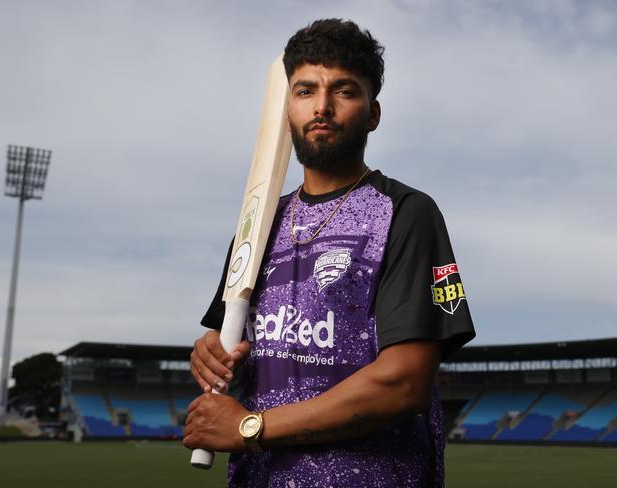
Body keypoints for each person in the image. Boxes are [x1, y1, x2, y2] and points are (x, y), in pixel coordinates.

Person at [183, 18, 475, 488]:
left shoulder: (406, 213)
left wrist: (249, 428)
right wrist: (210, 355)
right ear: (287, 111)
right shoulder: (256, 226)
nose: (322, 107)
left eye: (343, 90)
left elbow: (405, 382)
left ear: (372, 113)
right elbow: (234, 349)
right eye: (304, 91)